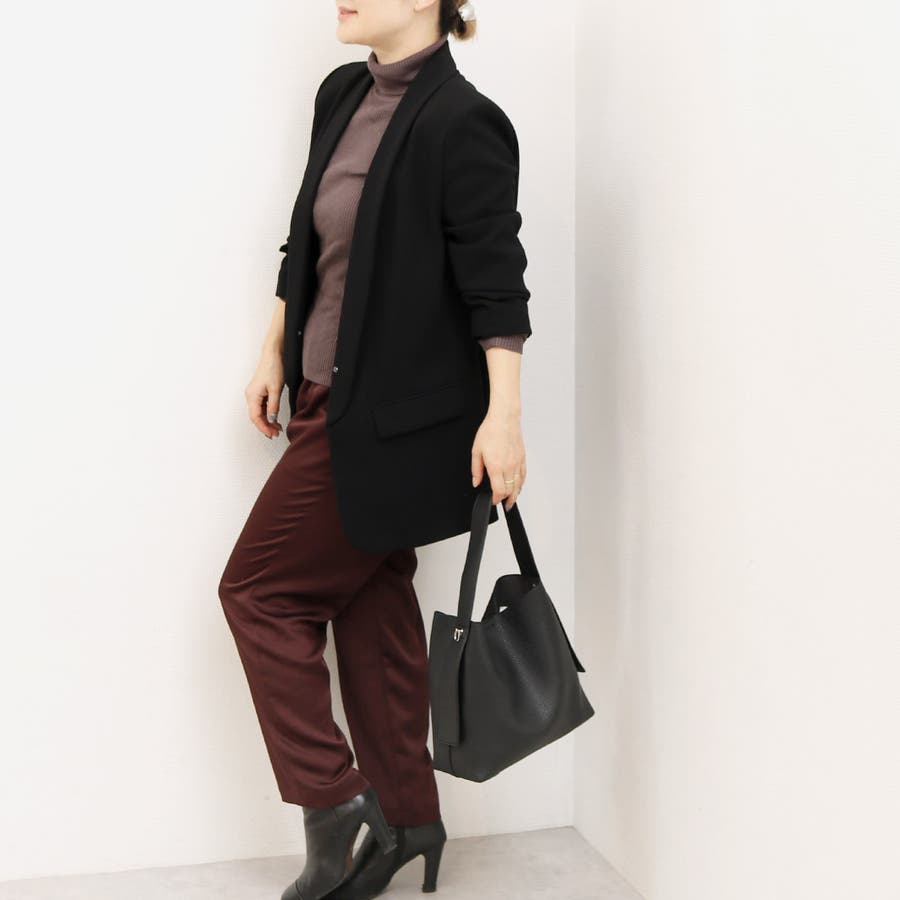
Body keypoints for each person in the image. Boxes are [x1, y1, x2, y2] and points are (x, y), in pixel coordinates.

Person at [218, 1, 532, 898]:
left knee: (258, 593)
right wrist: (273, 350)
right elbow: (306, 241)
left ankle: (336, 802)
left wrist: (504, 417)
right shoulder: (342, 94)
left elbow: (496, 282)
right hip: (322, 398)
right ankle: (409, 817)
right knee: (370, 609)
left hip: (395, 424)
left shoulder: (466, 122)